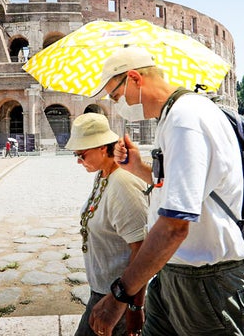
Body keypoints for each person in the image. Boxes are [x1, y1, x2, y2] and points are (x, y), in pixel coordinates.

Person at [88, 46, 244, 336]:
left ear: (134, 78)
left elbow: (174, 227)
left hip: (206, 283)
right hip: (175, 273)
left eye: (116, 95)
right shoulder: (174, 116)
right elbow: (184, 189)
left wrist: (121, 294)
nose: (117, 104)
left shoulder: (185, 119)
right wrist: (139, 168)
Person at [68, 113, 148, 336]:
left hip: (119, 296)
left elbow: (141, 248)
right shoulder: (104, 175)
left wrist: (133, 306)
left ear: (102, 148)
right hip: (104, 291)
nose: (78, 161)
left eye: (82, 155)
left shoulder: (123, 183)